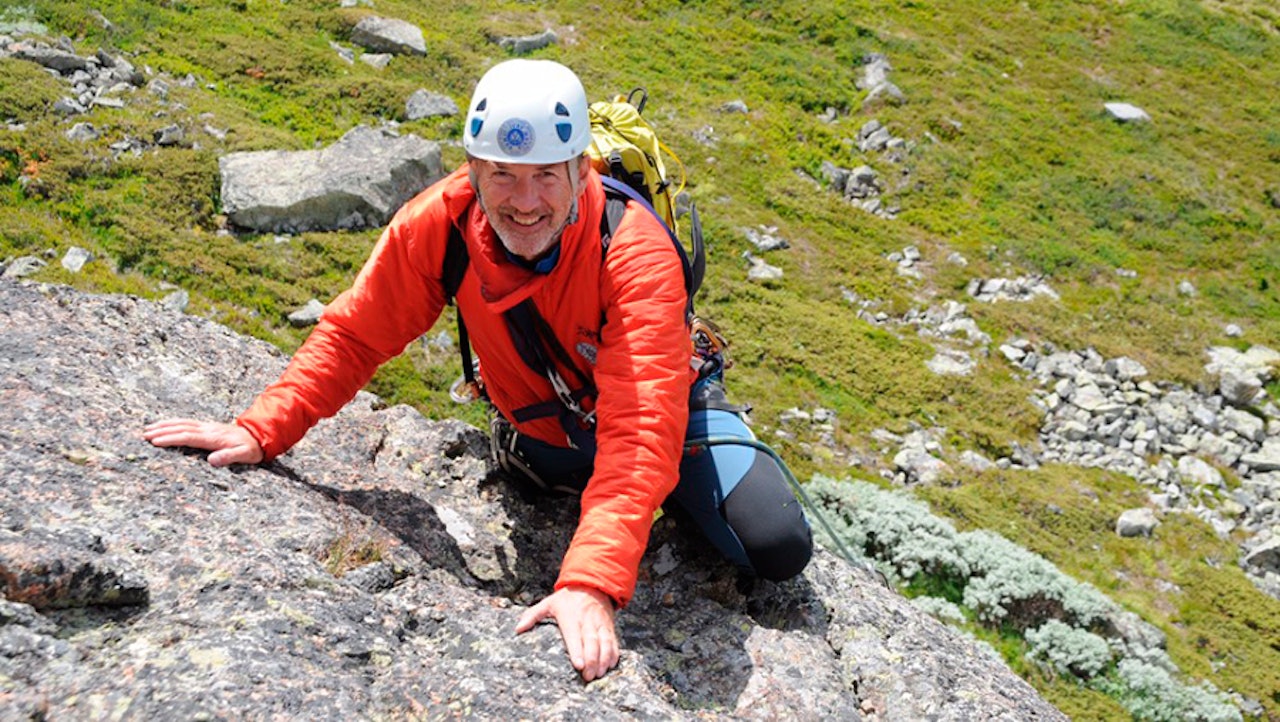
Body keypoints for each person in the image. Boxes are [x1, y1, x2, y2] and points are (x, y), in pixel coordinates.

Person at [144, 59, 812, 682]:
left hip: (667, 407)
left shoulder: (632, 250)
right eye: (503, 175)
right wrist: (264, 428)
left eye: (546, 175)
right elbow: (354, 336)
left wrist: (590, 583)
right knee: (562, 477)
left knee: (775, 541)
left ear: (582, 169)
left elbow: (641, 429)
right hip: (549, 428)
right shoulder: (442, 221)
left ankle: (670, 493)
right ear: (472, 168)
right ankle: (599, 485)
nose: (525, 201)